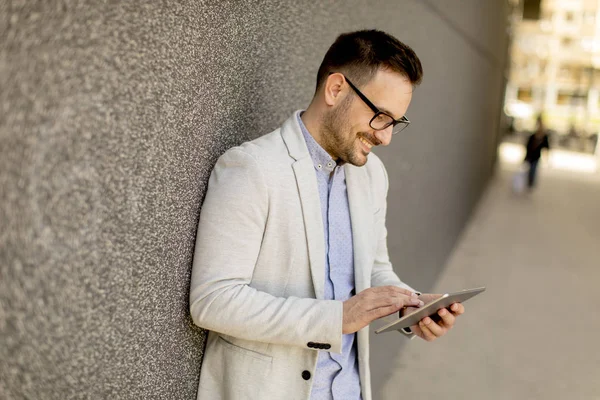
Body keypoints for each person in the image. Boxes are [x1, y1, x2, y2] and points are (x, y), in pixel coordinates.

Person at [189, 30, 466, 400]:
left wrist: (411, 304)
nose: (386, 138)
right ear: (336, 89)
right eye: (381, 116)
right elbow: (214, 300)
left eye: (396, 122)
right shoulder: (252, 168)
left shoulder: (371, 175)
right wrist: (337, 319)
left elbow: (374, 269)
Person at [524, 115, 550, 189]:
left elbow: (546, 147)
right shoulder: (533, 134)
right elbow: (528, 145)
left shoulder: (543, 136)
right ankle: (529, 182)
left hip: (536, 156)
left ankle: (530, 183)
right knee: (530, 169)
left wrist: (547, 157)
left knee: (533, 169)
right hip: (530, 155)